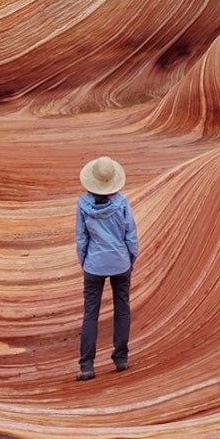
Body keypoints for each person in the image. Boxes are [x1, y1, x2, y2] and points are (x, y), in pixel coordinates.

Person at [74, 156, 138, 381]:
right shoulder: (122, 203)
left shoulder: (83, 205)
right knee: (122, 309)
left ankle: (87, 365)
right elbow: (130, 235)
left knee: (91, 313)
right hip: (120, 262)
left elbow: (81, 238)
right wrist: (130, 259)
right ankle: (120, 358)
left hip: (94, 264)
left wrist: (85, 262)